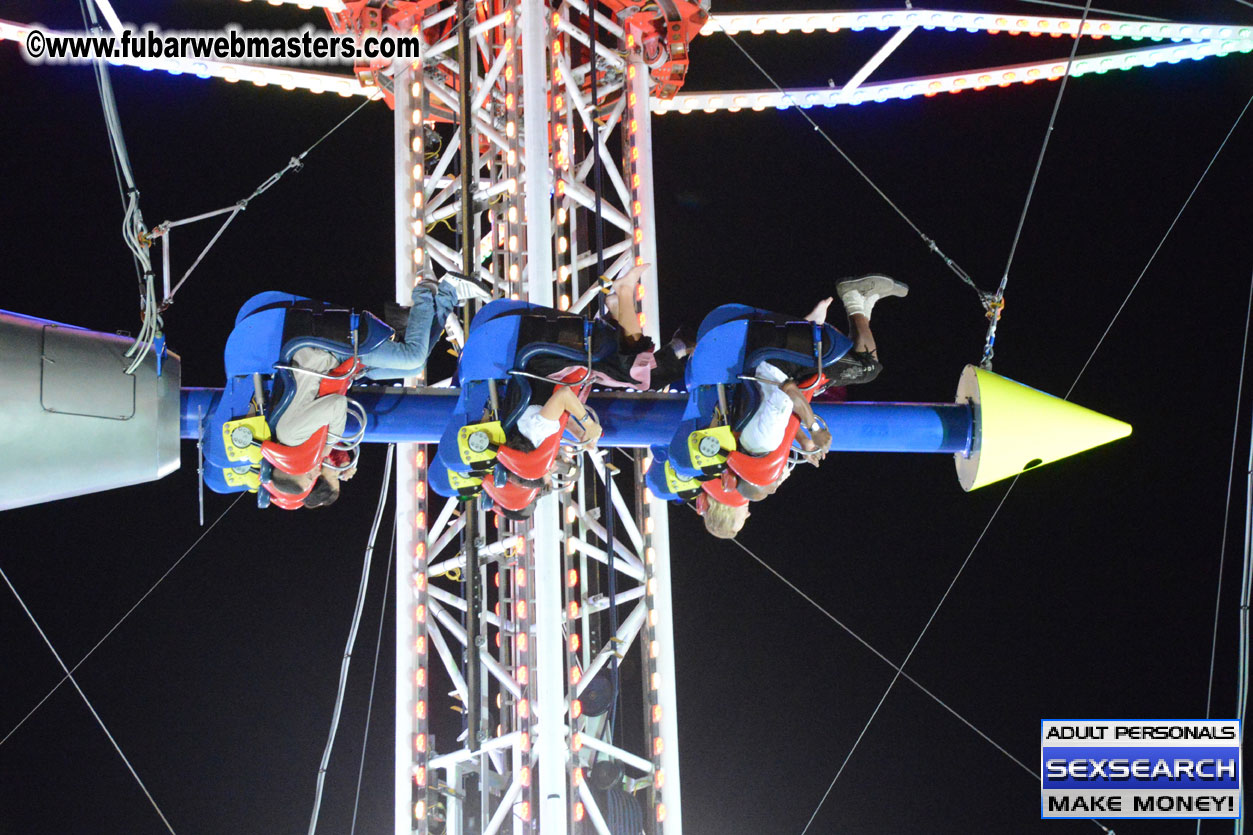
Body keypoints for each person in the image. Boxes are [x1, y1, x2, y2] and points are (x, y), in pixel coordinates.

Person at [701, 274, 908, 538]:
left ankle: (855, 297)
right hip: (765, 356)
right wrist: (805, 443)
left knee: (867, 368)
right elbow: (778, 414)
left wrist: (814, 429)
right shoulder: (749, 447)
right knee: (853, 365)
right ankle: (864, 301)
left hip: (780, 356)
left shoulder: (762, 442)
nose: (749, 513)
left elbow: (788, 391)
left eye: (743, 517)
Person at [360, 273, 490, 379]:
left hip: (347, 356)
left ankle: (429, 291)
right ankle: (445, 295)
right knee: (415, 367)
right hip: (355, 373)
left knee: (413, 358)